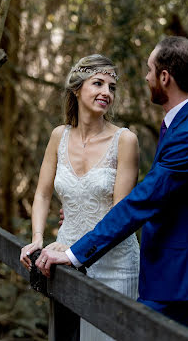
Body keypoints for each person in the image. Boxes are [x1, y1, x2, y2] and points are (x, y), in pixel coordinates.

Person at [36, 36, 188, 331]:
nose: (146, 77)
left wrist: (73, 253)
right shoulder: (182, 121)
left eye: (150, 70)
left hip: (176, 274)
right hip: (166, 268)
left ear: (164, 77)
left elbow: (143, 200)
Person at [20, 54, 140, 341]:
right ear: (76, 89)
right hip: (62, 259)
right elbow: (42, 192)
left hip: (114, 263)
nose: (106, 93)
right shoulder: (58, 136)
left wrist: (76, 252)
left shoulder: (125, 141)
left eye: (111, 87)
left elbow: (119, 214)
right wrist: (37, 238)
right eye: (98, 83)